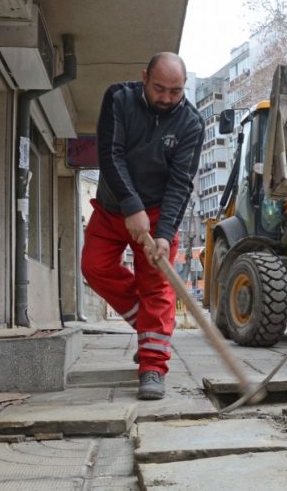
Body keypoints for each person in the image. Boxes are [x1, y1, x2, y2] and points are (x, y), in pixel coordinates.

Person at [81, 52, 204, 400]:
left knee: (156, 287)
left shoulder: (191, 124)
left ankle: (152, 367)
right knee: (94, 266)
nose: (166, 98)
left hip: (157, 213)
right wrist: (130, 206)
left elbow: (181, 182)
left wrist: (164, 234)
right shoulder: (118, 98)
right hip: (112, 207)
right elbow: (110, 154)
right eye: (159, 88)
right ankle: (148, 323)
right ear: (144, 77)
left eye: (175, 92)